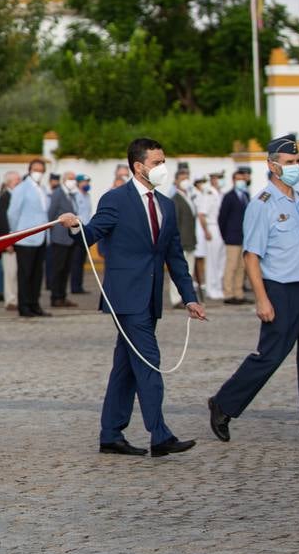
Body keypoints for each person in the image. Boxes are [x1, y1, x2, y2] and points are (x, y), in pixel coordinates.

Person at [59, 137, 206, 458]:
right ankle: (161, 435)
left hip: (150, 297)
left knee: (125, 367)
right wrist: (74, 226)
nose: (162, 168)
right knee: (148, 362)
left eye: (163, 161)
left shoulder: (165, 204)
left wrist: (190, 297)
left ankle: (111, 434)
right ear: (138, 166)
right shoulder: (116, 199)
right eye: (157, 163)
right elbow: (92, 233)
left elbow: (175, 257)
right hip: (125, 297)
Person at [207, 136, 299, 448]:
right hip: (281, 291)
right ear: (272, 166)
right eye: (289, 163)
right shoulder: (262, 205)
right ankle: (224, 404)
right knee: (269, 357)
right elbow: (251, 256)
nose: (295, 167)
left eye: (297, 162)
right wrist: (261, 298)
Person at [7, 159, 51, 317]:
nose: (38, 173)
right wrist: (14, 233)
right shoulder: (22, 188)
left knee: (37, 274)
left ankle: (34, 303)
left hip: (42, 236)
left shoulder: (43, 189)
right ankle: (24, 306)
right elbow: (12, 213)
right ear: (30, 170)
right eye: (35, 169)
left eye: (41, 170)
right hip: (25, 237)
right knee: (25, 274)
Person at [217, 166, 253, 305]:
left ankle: (238, 293)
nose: (241, 181)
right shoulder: (229, 196)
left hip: (244, 237)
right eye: (238, 179)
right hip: (232, 237)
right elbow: (222, 218)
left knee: (241, 267)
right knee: (231, 266)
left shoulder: (246, 195)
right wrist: (225, 235)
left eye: (243, 179)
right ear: (233, 180)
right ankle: (228, 293)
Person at [46, 170, 79, 308]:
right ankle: (56, 297)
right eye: (70, 178)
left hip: (70, 238)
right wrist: (53, 231)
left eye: (74, 179)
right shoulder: (58, 193)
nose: (73, 181)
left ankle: (62, 296)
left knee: (66, 269)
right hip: (60, 237)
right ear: (64, 180)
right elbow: (51, 213)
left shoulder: (72, 195)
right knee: (58, 268)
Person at [168, 168, 199, 310]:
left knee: (189, 271)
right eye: (182, 178)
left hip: (190, 240)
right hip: (181, 241)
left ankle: (187, 297)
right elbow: (175, 223)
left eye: (187, 177)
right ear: (176, 181)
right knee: (179, 270)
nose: (185, 181)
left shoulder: (189, 197)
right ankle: (176, 299)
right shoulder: (175, 199)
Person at [195, 172, 224, 301]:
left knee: (221, 260)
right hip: (212, 226)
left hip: (221, 227)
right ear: (212, 180)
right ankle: (211, 289)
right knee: (212, 260)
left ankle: (218, 287)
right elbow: (202, 214)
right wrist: (206, 230)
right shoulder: (208, 193)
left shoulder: (220, 193)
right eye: (218, 178)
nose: (220, 181)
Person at [0, 171, 20, 311]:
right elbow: (3, 222)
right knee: (10, 273)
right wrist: (8, 242)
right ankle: (10, 300)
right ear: (9, 182)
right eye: (17, 180)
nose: (19, 182)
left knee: (18, 272)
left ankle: (17, 297)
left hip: (20, 240)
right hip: (10, 241)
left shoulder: (18, 196)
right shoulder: (5, 198)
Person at [70, 174, 92, 294]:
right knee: (76, 261)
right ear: (78, 183)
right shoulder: (75, 196)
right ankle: (75, 287)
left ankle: (79, 285)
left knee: (82, 260)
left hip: (86, 230)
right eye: (83, 182)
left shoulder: (87, 195)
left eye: (87, 181)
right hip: (78, 229)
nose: (86, 184)